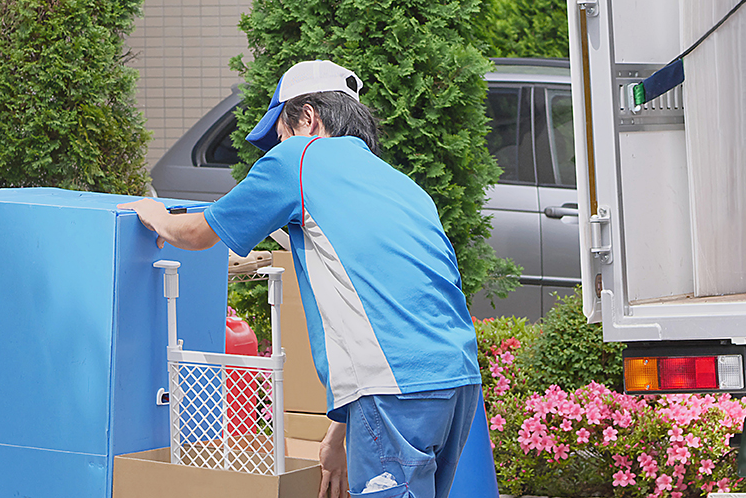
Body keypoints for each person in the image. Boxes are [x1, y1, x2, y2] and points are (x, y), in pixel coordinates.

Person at [119, 60, 481, 498]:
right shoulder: (399, 183)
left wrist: (156, 216)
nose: (278, 146)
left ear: (308, 117)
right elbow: (392, 303)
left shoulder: (300, 157)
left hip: (395, 389)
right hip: (457, 380)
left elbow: (198, 234)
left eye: (281, 132)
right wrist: (337, 434)